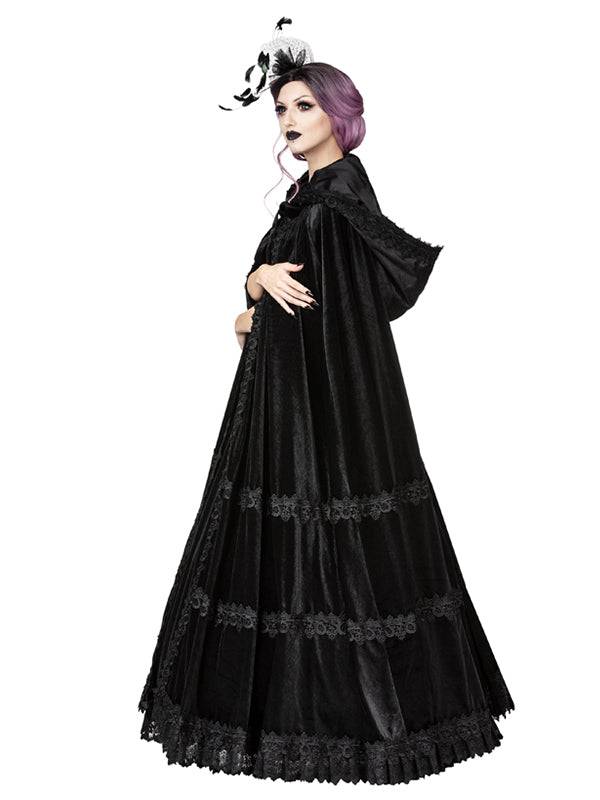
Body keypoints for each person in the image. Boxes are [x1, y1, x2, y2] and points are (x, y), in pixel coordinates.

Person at [138, 18, 515, 786]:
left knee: (339, 553)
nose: (289, 119)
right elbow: (272, 295)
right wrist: (253, 286)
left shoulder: (340, 197)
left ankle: (365, 727)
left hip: (317, 414)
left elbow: (339, 310)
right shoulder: (307, 195)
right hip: (278, 404)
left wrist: (260, 306)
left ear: (338, 114)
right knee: (281, 552)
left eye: (304, 106)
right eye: (282, 109)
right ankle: (286, 714)